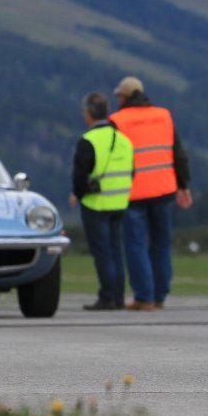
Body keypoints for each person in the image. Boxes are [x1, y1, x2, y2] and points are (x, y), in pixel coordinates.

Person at [109, 76, 192, 311]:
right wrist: (183, 185)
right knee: (162, 244)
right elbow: (178, 153)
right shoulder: (163, 116)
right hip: (164, 189)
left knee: (136, 245)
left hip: (133, 192)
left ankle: (144, 297)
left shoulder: (117, 120)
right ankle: (159, 296)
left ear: (123, 97)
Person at [69, 92, 134, 312]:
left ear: (89, 113)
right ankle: (118, 296)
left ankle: (107, 296)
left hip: (95, 203)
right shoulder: (123, 139)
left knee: (102, 252)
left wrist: (78, 194)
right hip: (120, 202)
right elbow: (132, 171)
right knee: (116, 251)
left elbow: (80, 175)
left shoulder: (89, 140)